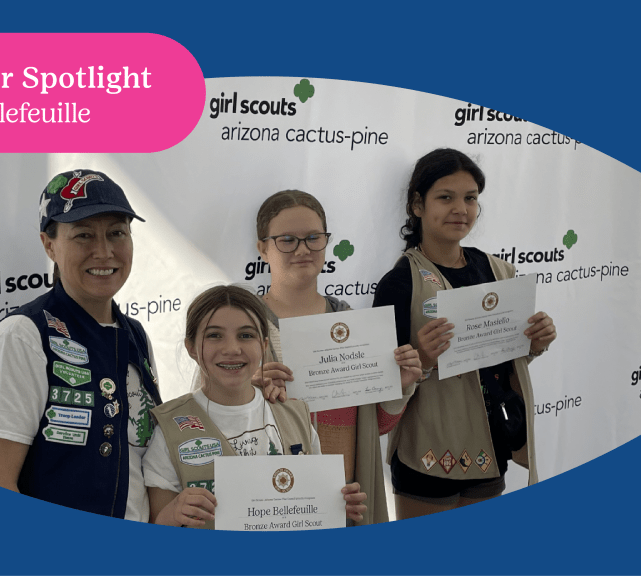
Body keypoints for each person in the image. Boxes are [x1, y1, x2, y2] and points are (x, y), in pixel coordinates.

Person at [373, 148, 557, 519]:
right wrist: (422, 359)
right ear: (418, 205)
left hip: (491, 447)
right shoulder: (400, 283)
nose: (461, 209)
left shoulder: (498, 272)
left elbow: (505, 358)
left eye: (470, 198)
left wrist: (534, 343)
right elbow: (380, 387)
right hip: (427, 456)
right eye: (446, 197)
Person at [0, 169, 162, 520]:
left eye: (117, 233)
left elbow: (145, 463)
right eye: (83, 235)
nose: (104, 251)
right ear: (49, 245)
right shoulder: (22, 338)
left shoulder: (135, 335)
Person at [251, 190, 422, 525]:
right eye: (287, 240)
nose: (303, 249)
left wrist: (398, 386)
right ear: (263, 248)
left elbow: (375, 427)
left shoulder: (353, 326)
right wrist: (245, 394)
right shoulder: (240, 326)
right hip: (270, 506)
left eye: (313, 238)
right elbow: (214, 420)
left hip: (344, 502)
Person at [142, 285, 367, 529]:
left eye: (246, 335)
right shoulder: (169, 430)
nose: (231, 349)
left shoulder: (295, 416)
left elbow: (307, 510)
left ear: (264, 344)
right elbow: (156, 526)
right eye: (214, 335)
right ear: (191, 348)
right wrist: (174, 513)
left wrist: (332, 504)